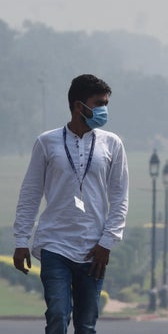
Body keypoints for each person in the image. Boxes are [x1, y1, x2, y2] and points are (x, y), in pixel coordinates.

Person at [13, 74, 129, 334]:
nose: (104, 110)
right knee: (57, 315)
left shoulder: (112, 144)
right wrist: (22, 240)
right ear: (79, 106)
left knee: (86, 325)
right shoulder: (47, 142)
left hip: (93, 249)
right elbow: (30, 193)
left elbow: (120, 197)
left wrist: (107, 242)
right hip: (55, 245)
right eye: (99, 104)